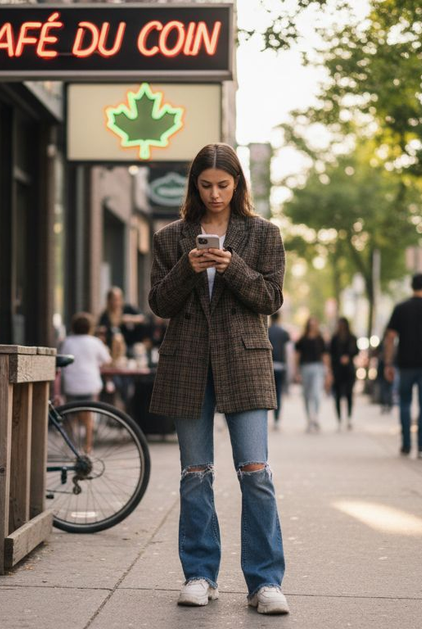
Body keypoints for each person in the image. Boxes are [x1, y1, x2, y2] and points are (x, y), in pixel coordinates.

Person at [148, 143, 289, 614]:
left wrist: (234, 267)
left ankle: (265, 583)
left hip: (244, 362)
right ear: (194, 185)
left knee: (256, 472)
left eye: (223, 185)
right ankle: (199, 575)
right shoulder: (170, 237)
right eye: (206, 185)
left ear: (237, 184)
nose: (214, 194)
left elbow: (271, 299)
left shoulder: (264, 234)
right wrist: (187, 270)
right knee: (195, 474)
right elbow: (159, 304)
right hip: (187, 362)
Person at [383, 273, 422, 459]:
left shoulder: (401, 308)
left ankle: (405, 444)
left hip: (406, 363)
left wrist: (388, 362)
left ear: (411, 286)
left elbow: (390, 337)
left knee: (405, 403)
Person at [58, 312, 111, 454]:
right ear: (90, 328)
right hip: (89, 384)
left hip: (71, 384)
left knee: (71, 416)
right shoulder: (95, 342)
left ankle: (71, 446)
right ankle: (88, 447)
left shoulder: (67, 341)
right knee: (88, 416)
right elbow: (107, 360)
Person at [294, 317, 329, 433]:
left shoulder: (320, 339)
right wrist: (296, 371)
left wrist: (328, 371)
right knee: (306, 395)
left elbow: (325, 355)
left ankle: (315, 417)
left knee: (316, 394)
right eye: (311, 325)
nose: (312, 327)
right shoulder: (302, 339)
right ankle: (309, 419)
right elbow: (297, 355)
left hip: (318, 367)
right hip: (305, 368)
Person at [329, 317, 359, 430]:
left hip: (349, 370)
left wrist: (348, 357)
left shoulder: (352, 338)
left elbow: (356, 351)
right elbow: (330, 353)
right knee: (337, 395)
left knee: (349, 394)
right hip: (337, 370)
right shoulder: (335, 338)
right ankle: (339, 419)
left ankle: (349, 417)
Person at [98, 286, 146, 355]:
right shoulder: (105, 315)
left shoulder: (127, 309)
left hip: (130, 343)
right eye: (114, 299)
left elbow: (142, 318)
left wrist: (129, 319)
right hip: (113, 347)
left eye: (118, 299)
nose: (116, 302)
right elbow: (101, 329)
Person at [267, 312, 290, 429]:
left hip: (268, 366)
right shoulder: (284, 333)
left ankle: (268, 418)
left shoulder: (267, 331)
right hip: (280, 366)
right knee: (279, 393)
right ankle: (276, 419)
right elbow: (288, 351)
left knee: (267, 393)